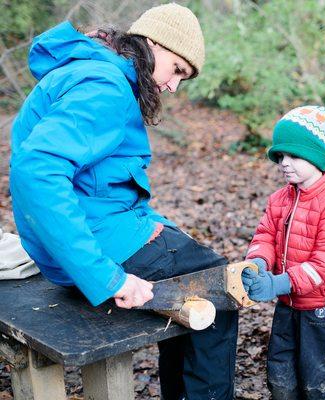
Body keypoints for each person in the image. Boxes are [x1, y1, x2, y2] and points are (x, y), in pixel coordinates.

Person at [9, 4, 237, 399]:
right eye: (177, 70)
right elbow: (37, 173)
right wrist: (106, 277)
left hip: (82, 236)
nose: (173, 86)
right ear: (152, 43)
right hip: (91, 249)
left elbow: (103, 184)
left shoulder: (94, 70)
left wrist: (157, 225)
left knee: (192, 263)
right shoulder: (106, 87)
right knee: (218, 289)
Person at [241, 105, 325, 400]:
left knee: (318, 384)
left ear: (317, 155)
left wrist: (279, 283)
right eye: (280, 156)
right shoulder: (280, 199)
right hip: (288, 307)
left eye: (293, 155)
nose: (284, 162)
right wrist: (257, 262)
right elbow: (265, 234)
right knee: (281, 377)